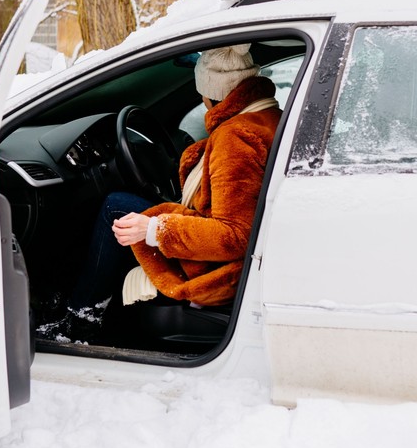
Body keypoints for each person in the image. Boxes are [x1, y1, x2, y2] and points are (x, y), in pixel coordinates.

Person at [53, 43, 282, 343]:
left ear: (212, 93)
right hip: (232, 259)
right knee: (126, 206)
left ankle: (80, 320)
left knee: (115, 206)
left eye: (201, 94)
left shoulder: (235, 137)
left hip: (217, 270)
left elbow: (235, 236)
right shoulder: (266, 117)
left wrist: (154, 229)